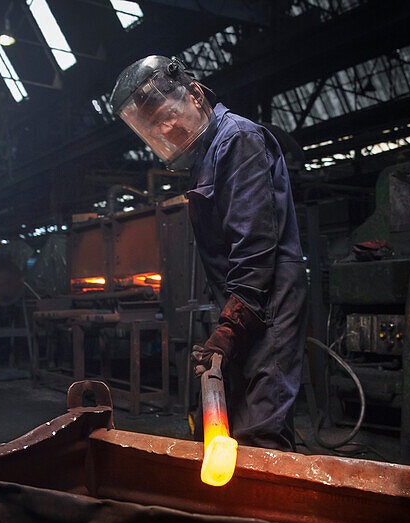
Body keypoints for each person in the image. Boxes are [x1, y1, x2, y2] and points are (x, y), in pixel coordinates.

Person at [110, 55, 308, 450]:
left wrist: (231, 327)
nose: (165, 129)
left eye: (167, 116)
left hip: (267, 300)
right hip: (243, 302)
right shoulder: (208, 154)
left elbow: (254, 248)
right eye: (154, 127)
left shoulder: (238, 139)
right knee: (226, 422)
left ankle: (268, 507)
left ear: (195, 95)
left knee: (259, 427)